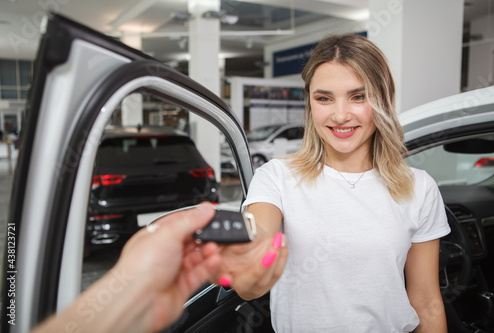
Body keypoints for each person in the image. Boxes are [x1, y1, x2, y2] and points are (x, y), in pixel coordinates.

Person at [215, 34, 450, 332]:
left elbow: (426, 302)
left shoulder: (418, 187)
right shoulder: (276, 177)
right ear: (310, 103)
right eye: (324, 98)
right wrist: (238, 261)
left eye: (358, 96)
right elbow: (252, 276)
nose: (340, 115)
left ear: (383, 100)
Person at [31, 203, 284, 333]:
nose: (327, 116)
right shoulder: (276, 173)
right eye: (321, 99)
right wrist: (256, 251)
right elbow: (259, 232)